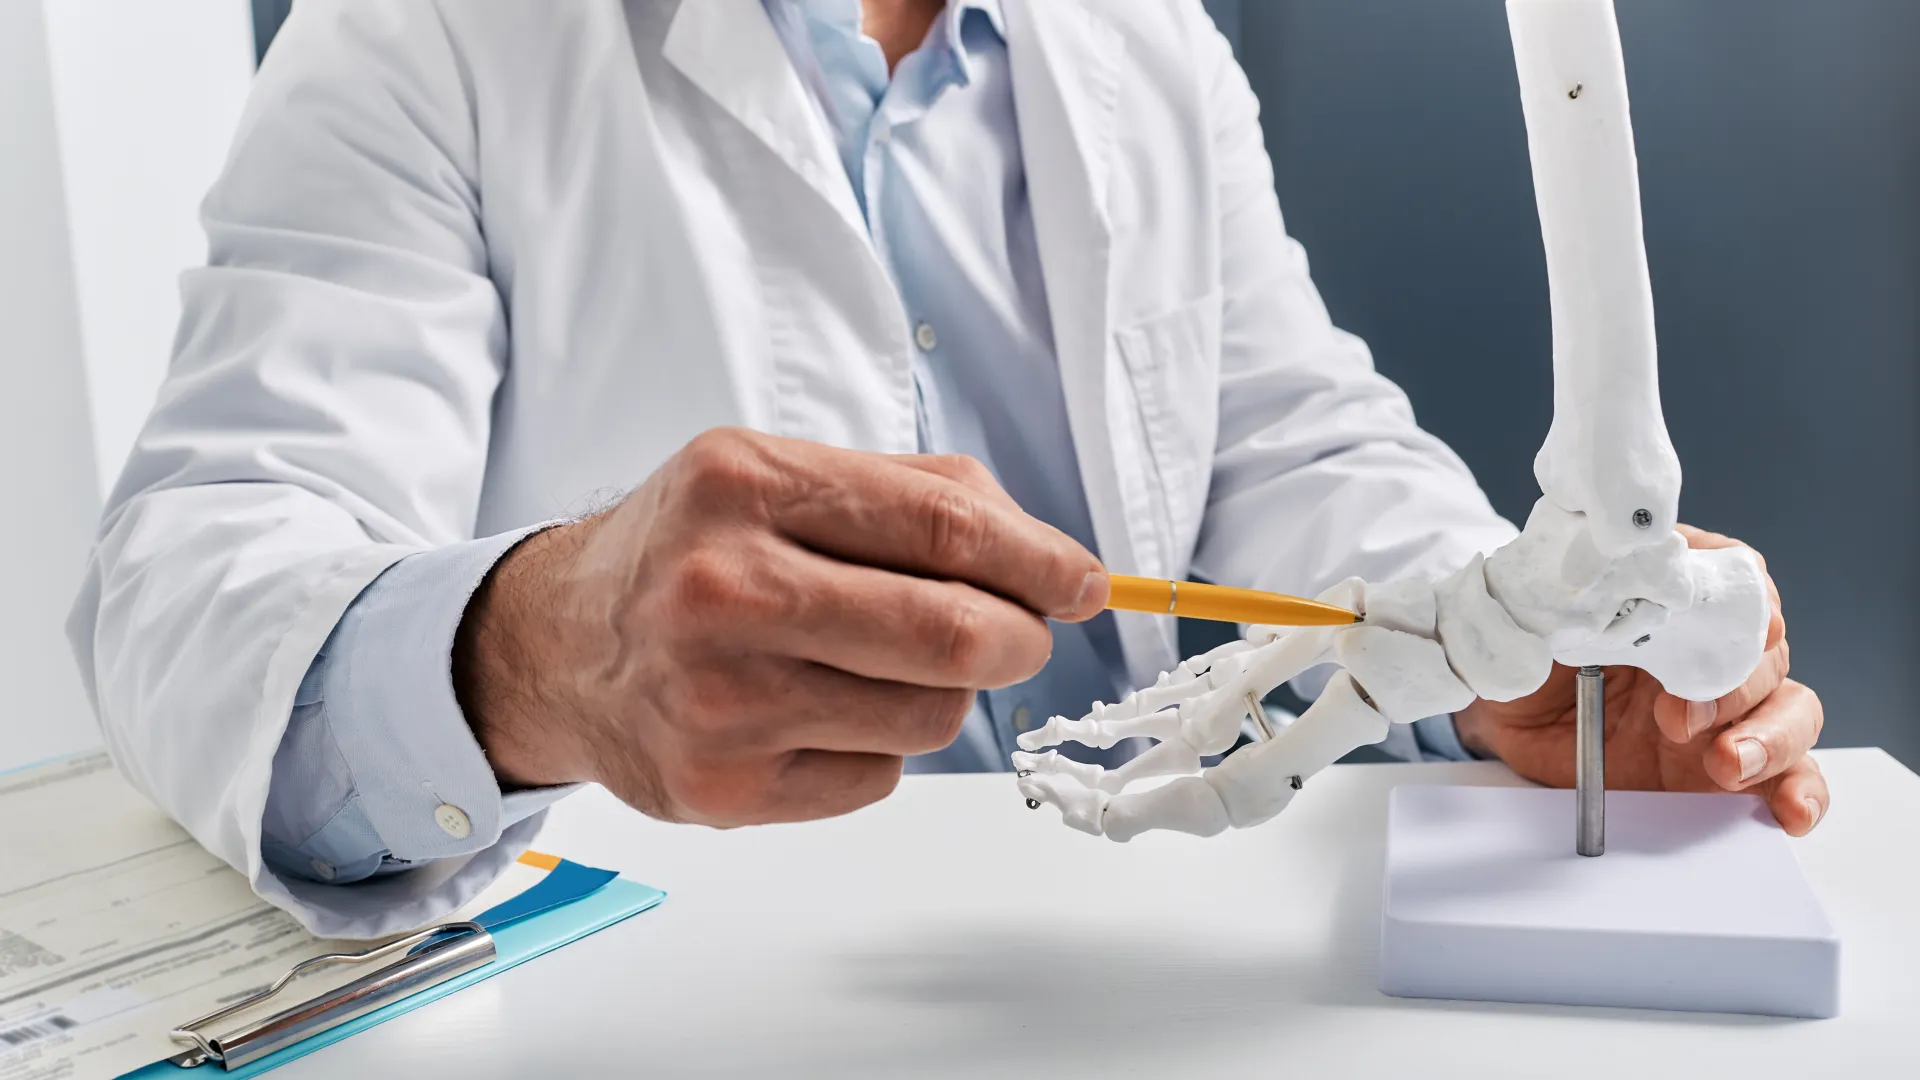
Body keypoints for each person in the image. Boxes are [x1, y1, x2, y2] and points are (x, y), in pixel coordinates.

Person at [67, 0, 1824, 940]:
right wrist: (537, 651)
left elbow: (1289, 440)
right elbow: (188, 573)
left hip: (1141, 977)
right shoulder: (425, 38)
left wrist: (1499, 651)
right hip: (699, 1003)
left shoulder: (1142, 42)